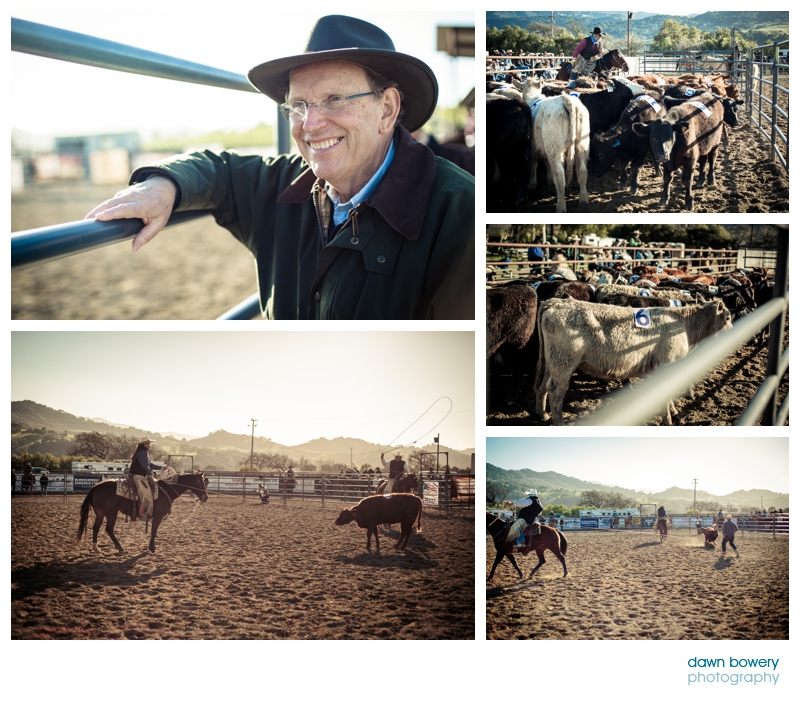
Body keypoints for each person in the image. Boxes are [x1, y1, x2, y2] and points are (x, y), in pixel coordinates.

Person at [84, 15, 474, 321]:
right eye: (298, 105)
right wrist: (164, 185)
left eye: (335, 99)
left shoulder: (458, 212)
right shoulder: (279, 184)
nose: (310, 123)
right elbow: (217, 169)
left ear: (386, 109)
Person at [129, 436, 158, 520]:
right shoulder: (142, 452)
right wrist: (150, 473)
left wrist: (162, 467)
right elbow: (145, 466)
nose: (150, 444)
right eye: (148, 443)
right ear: (144, 444)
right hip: (137, 476)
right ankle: (146, 514)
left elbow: (149, 465)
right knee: (147, 494)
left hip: (138, 475)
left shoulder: (143, 452)